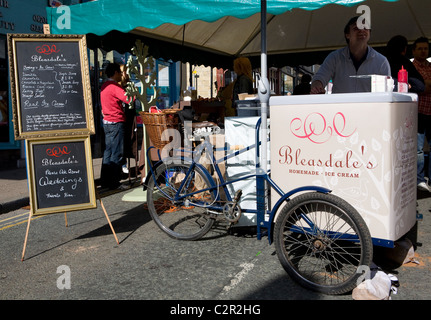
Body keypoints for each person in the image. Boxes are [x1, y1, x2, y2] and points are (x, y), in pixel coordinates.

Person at [311, 16, 391, 94]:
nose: (362, 30)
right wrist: (317, 87)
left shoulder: (381, 62)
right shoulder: (334, 57)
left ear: (369, 33)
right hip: (341, 106)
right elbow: (320, 77)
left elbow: (386, 92)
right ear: (347, 35)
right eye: (356, 28)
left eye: (365, 27)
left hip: (370, 107)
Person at [100, 62, 134, 190]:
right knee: (117, 153)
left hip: (107, 122)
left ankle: (105, 182)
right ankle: (114, 183)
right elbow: (129, 99)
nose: (121, 75)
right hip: (116, 122)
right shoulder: (114, 87)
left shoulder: (105, 85)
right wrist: (129, 85)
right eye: (120, 73)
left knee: (108, 153)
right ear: (115, 73)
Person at [412, 37, 431, 192]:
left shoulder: (430, 66)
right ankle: (419, 181)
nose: (423, 51)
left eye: (425, 48)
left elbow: (425, 86)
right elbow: (421, 87)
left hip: (430, 111)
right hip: (418, 112)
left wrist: (425, 84)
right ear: (414, 50)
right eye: (420, 48)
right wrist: (424, 85)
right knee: (417, 150)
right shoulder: (412, 67)